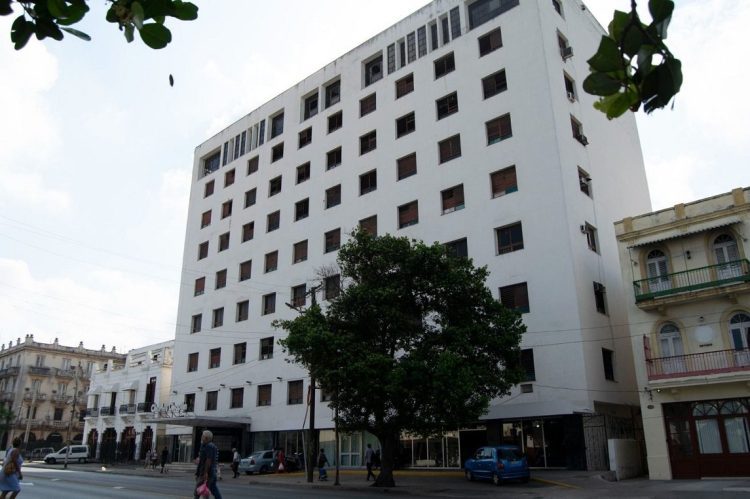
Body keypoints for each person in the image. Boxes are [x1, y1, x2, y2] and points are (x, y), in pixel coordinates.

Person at [194, 430, 222, 499]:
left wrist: (205, 472)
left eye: (202, 436)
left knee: (198, 491)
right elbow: (204, 459)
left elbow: (208, 460)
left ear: (206, 438)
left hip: (208, 473)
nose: (201, 437)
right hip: (210, 473)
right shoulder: (206, 445)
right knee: (212, 490)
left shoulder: (209, 446)